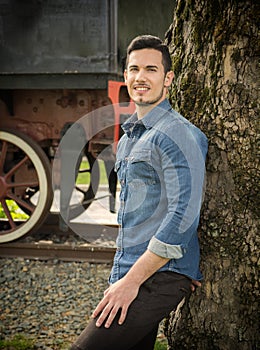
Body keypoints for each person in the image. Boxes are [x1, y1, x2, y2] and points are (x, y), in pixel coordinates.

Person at [71, 35, 208, 350]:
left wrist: (131, 283)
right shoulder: (133, 135)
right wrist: (126, 277)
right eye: (133, 69)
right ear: (125, 77)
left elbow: (183, 214)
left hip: (157, 276)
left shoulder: (179, 134)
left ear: (168, 78)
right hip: (132, 269)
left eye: (151, 69)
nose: (140, 77)